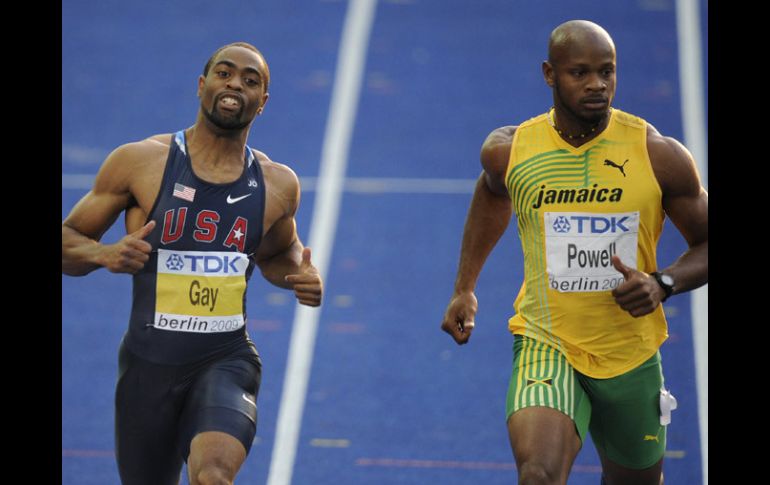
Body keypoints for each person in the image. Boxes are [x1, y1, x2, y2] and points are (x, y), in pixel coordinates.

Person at [440, 20, 707, 485]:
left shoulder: (658, 155)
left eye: (607, 72)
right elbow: (493, 194)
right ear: (549, 74)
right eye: (580, 73)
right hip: (547, 341)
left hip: (629, 352)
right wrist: (465, 288)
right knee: (538, 474)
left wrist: (663, 283)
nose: (597, 85)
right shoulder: (511, 150)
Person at [62, 42, 323, 485]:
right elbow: (68, 239)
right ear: (202, 86)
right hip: (148, 367)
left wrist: (301, 274)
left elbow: (279, 255)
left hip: (227, 359)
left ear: (263, 103)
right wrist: (105, 254)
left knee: (213, 475)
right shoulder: (141, 162)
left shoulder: (278, 185)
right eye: (224, 73)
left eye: (250, 79)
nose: (235, 83)